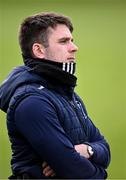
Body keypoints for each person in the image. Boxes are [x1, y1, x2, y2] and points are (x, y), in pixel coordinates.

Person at [0, 12, 111, 179]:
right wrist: (101, 171)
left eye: (71, 40)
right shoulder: (32, 102)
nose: (74, 47)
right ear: (39, 50)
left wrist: (87, 150)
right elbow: (77, 173)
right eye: (63, 41)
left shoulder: (66, 94)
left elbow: (105, 148)